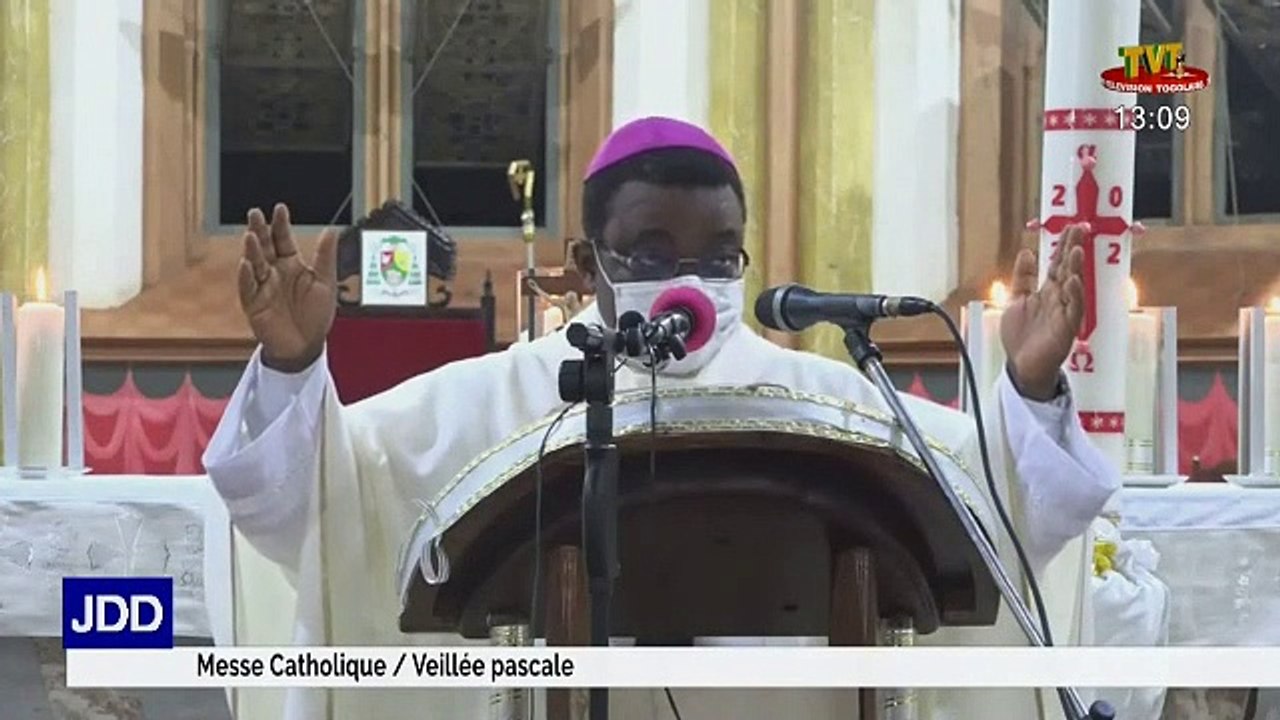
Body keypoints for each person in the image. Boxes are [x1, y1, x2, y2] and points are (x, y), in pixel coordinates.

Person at [205, 116, 1120, 719]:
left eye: (723, 252)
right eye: (653, 247)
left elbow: (1004, 509)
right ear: (586, 258)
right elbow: (322, 506)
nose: (694, 272)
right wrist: (293, 364)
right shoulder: (484, 402)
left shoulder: (830, 403)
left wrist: (1032, 389)